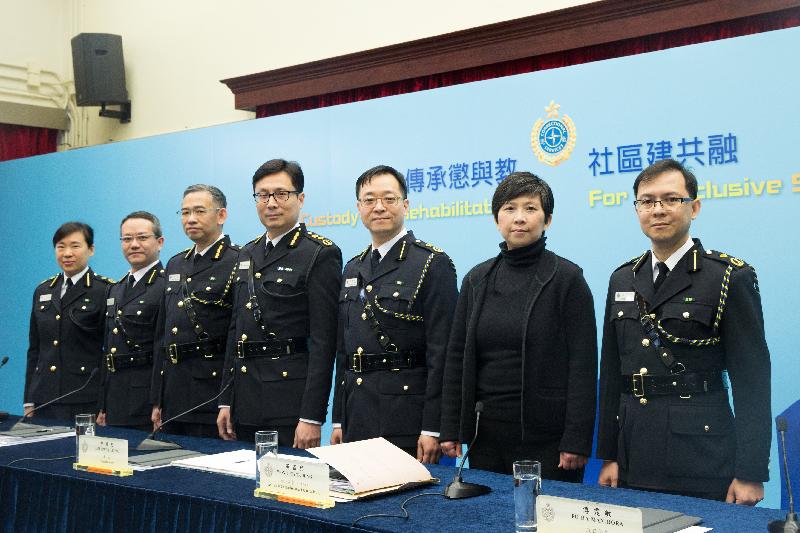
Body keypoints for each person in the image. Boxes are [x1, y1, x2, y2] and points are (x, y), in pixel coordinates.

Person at [596, 159, 771, 505]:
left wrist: (750, 472)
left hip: (701, 455)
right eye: (646, 201)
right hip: (635, 453)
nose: (657, 210)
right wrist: (609, 454)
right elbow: (612, 373)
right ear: (637, 210)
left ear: (694, 207)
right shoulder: (623, 278)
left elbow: (752, 382)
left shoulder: (728, 277)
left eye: (670, 199)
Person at [439, 172, 597, 480]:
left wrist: (576, 440)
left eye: (530, 208)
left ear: (547, 219)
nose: (519, 218)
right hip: (485, 435)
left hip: (548, 439)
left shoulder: (567, 279)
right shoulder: (477, 279)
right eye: (510, 208)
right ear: (497, 219)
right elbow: (457, 356)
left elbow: (583, 364)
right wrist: (451, 427)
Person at [331, 165, 458, 463]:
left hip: (406, 418)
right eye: (369, 200)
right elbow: (344, 351)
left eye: (388, 199)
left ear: (405, 204)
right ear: (359, 208)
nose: (379, 207)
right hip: (357, 414)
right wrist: (339, 419)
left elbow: (443, 354)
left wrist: (432, 427)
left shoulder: (431, 263)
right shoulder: (352, 267)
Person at [216, 159, 342, 448]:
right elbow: (236, 332)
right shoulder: (247, 253)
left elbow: (324, 343)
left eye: (281, 194)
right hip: (244, 401)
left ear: (300, 198)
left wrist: (311, 416)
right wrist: (226, 399)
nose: (271, 203)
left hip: (289, 403)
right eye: (263, 195)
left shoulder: (319, 253)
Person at [151, 184, 239, 437]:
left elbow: (237, 336)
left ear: (221, 215)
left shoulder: (238, 259)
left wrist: (228, 398)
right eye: (184, 212)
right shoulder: (176, 263)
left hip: (211, 391)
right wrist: (157, 398)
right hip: (174, 391)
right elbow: (163, 336)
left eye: (199, 211)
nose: (190, 219)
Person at [24, 222, 113, 421]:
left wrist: (105, 403)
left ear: (91, 250)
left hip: (84, 397)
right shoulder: (43, 290)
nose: (67, 253)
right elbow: (35, 350)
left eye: (75, 246)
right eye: (60, 246)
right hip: (44, 398)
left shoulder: (105, 290)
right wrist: (29, 399)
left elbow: (108, 351)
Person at [97, 211, 165, 430]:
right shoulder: (115, 289)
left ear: (160, 242)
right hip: (115, 396)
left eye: (142, 238)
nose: (134, 244)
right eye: (127, 239)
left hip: (145, 397)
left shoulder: (166, 286)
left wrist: (159, 401)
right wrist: (103, 405)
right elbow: (108, 350)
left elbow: (162, 349)